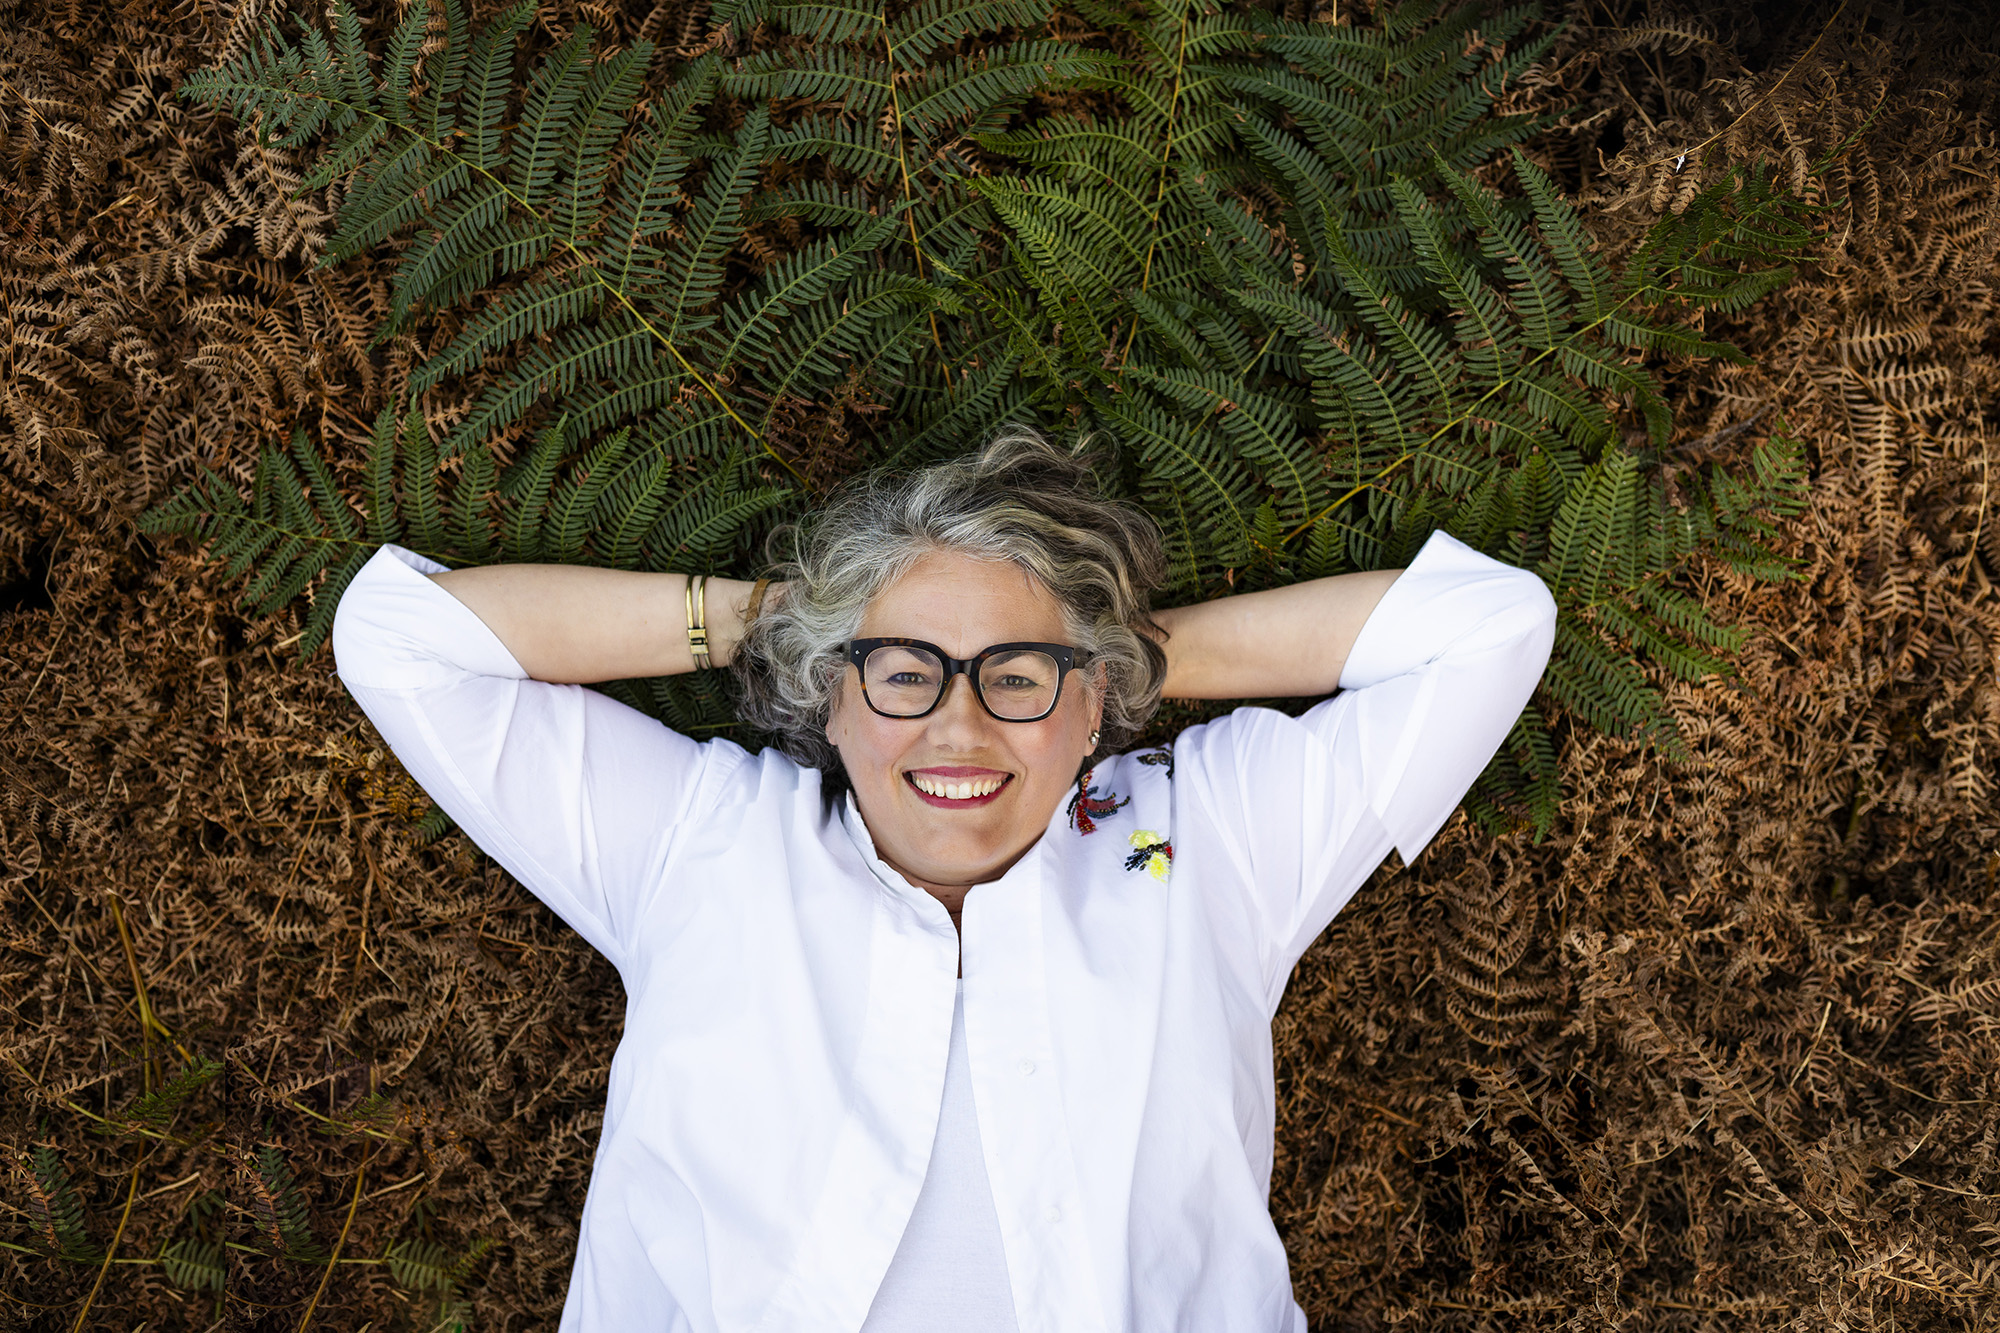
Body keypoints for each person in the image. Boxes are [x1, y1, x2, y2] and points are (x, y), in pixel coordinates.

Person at [330, 428, 1555, 1333]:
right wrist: (788, 620)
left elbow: (1488, 626)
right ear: (828, 698)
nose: (958, 730)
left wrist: (1108, 656)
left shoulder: (1207, 846)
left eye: (1013, 677)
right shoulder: (700, 845)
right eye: (903, 674)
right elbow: (402, 640)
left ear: (1093, 710)